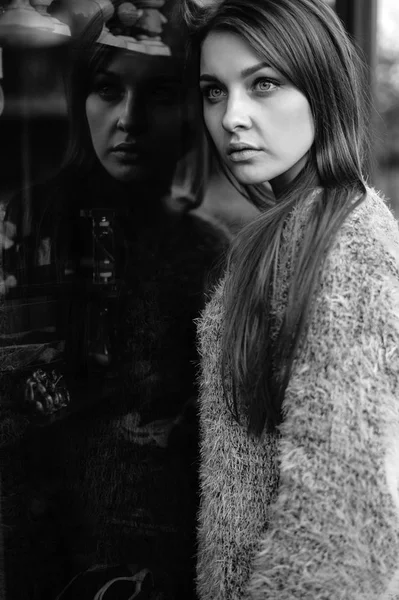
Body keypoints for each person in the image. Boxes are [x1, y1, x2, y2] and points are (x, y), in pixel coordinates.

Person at [0, 2, 229, 599]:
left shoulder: (210, 254)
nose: (127, 119)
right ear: (82, 100)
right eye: (107, 89)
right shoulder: (17, 225)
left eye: (158, 94)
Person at [179, 0, 399, 598]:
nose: (231, 117)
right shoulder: (289, 229)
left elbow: (337, 515)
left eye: (264, 84)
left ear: (321, 89)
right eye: (214, 91)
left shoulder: (349, 240)